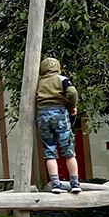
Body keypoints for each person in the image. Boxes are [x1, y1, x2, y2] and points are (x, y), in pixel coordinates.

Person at [36, 57, 81, 194]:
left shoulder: (37, 82)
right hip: (60, 113)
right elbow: (72, 92)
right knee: (68, 150)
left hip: (43, 115)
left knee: (49, 150)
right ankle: (74, 183)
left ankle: (56, 183)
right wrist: (72, 106)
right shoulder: (61, 79)